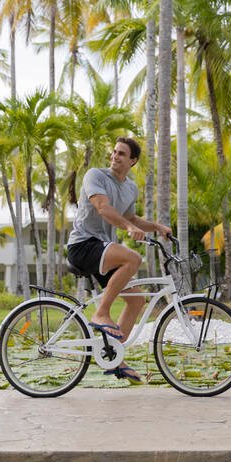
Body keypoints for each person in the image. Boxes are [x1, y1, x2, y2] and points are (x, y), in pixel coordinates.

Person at [66, 136, 170, 383]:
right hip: (83, 245)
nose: (115, 156)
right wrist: (125, 227)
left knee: (137, 301)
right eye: (114, 152)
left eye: (122, 154)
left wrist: (157, 227)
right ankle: (100, 313)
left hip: (103, 249)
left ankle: (114, 356)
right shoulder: (96, 175)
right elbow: (103, 208)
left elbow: (131, 218)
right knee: (132, 258)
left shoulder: (130, 187)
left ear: (133, 161)